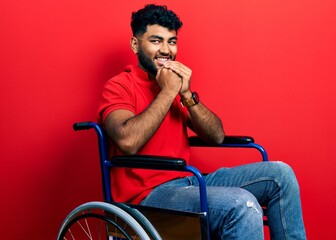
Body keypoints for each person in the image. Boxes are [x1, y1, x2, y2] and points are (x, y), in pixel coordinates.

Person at [98, 4, 306, 240]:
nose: (166, 50)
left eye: (172, 41)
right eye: (156, 41)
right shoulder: (119, 86)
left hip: (189, 181)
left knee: (281, 175)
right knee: (242, 204)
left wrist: (186, 96)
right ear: (135, 44)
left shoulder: (173, 86)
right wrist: (168, 92)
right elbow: (128, 141)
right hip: (149, 195)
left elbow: (216, 136)